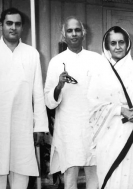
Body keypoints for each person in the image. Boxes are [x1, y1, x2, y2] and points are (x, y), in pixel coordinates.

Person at [0, 7, 48, 189]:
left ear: (23, 28)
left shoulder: (32, 53)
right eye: (9, 23)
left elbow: (38, 92)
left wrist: (39, 127)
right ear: (1, 26)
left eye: (17, 24)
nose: (13, 27)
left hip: (23, 124)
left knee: (21, 174)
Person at [87, 26, 133, 189]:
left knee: (129, 176)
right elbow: (92, 103)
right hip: (108, 131)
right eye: (113, 43)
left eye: (121, 42)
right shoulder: (99, 71)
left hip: (131, 130)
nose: (118, 47)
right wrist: (120, 110)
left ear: (127, 44)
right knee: (109, 175)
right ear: (107, 46)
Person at [44, 16, 100, 189]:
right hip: (68, 127)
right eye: (70, 30)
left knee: (94, 173)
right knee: (70, 175)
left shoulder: (96, 59)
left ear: (83, 33)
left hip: (92, 125)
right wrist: (59, 85)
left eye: (77, 30)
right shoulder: (55, 62)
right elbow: (49, 101)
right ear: (64, 35)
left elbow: (105, 92)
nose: (74, 34)